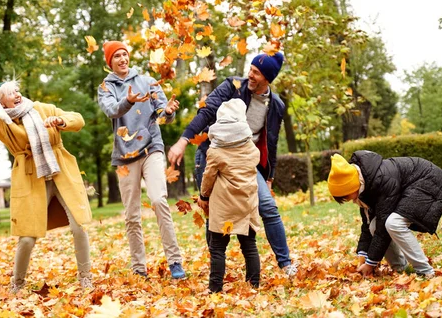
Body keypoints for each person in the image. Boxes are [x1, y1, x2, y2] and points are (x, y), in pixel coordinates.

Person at [0, 50, 93, 293]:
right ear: (1, 102)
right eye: (9, 94)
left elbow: (77, 119)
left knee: (79, 226)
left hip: (61, 173)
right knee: (27, 237)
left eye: (16, 90)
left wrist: (61, 122)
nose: (16, 95)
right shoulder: (2, 123)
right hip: (31, 179)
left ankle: (86, 278)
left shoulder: (41, 108)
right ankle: (17, 284)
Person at [168, 52, 298, 277]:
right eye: (251, 69)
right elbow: (207, 111)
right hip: (214, 155)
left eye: (256, 73)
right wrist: (183, 140)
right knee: (213, 210)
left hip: (246, 161)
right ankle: (216, 269)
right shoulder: (233, 86)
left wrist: (269, 178)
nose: (250, 75)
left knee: (267, 206)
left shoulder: (276, 105)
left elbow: (272, 142)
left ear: (268, 78)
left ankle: (286, 264)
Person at [97, 41, 186, 279]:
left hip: (151, 148)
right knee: (132, 216)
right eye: (116, 56)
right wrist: (129, 101)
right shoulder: (105, 87)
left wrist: (167, 112)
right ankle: (139, 268)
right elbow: (112, 111)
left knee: (158, 200)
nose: (122, 59)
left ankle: (175, 261)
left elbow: (163, 116)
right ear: (110, 62)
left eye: (125, 54)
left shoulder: (147, 82)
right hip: (124, 157)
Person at [327, 151, 442, 278]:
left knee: (394, 223)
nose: (348, 200)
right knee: (373, 226)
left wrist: (370, 263)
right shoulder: (364, 185)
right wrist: (363, 253)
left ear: (351, 186)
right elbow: (367, 225)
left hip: (430, 182)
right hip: (414, 185)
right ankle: (399, 268)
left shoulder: (381, 180)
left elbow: (383, 228)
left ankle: (425, 271)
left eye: (346, 196)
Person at [197, 99, 261, 293]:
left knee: (217, 248)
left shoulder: (215, 152)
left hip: (224, 205)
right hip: (247, 204)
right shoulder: (252, 149)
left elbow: (208, 177)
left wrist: (204, 196)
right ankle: (253, 285)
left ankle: (215, 288)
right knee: (249, 246)